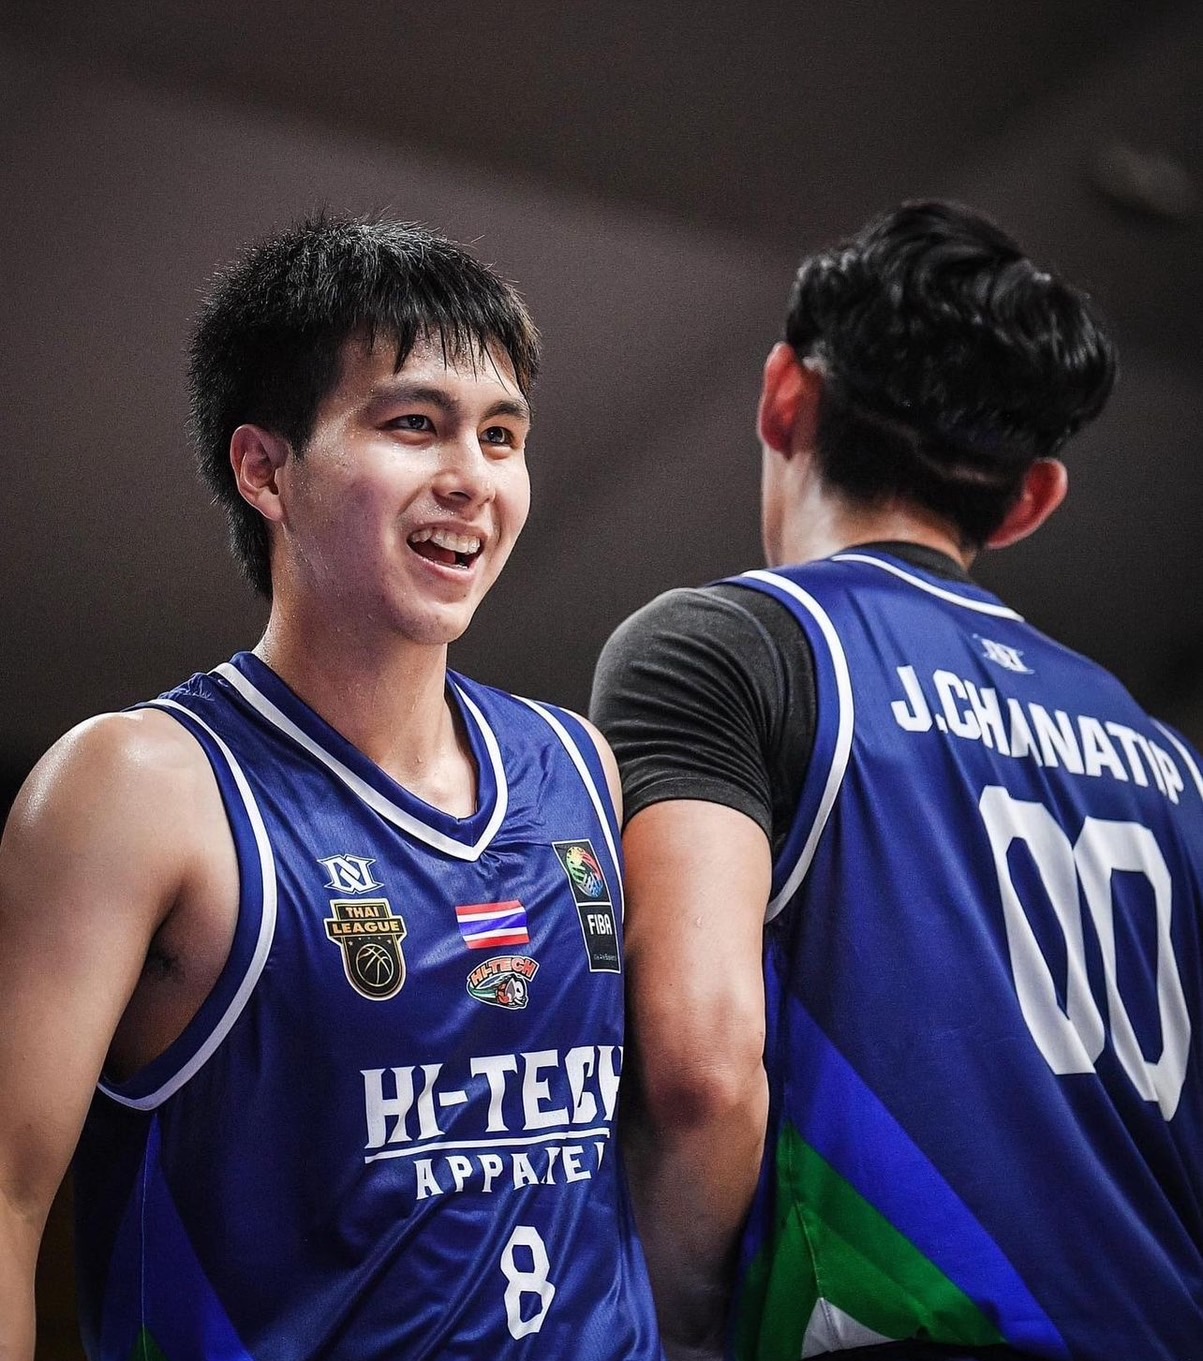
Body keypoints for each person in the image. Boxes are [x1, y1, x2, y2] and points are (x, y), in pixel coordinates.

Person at [0, 215, 663, 1360]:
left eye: (502, 436)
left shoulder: (577, 764)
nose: (471, 479)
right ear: (264, 468)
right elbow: (8, 1198)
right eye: (415, 424)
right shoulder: (137, 787)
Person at [590, 200, 1203, 1361]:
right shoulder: (1171, 764)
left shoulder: (729, 648)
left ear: (784, 395)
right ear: (1029, 500)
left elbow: (701, 1068)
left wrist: (672, 1332)